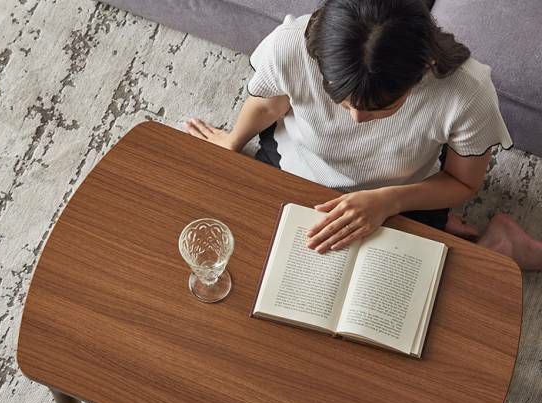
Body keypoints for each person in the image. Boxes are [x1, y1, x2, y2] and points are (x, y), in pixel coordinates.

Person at [185, 0, 542, 270]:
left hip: (398, 195)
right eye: (342, 102)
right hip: (292, 166)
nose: (357, 119)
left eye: (381, 108)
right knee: (243, 255)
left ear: (423, 70)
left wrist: (387, 202)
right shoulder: (292, 45)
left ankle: (494, 241)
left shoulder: (467, 93)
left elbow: (463, 182)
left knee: (424, 303)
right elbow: (267, 106)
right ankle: (445, 232)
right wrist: (233, 141)